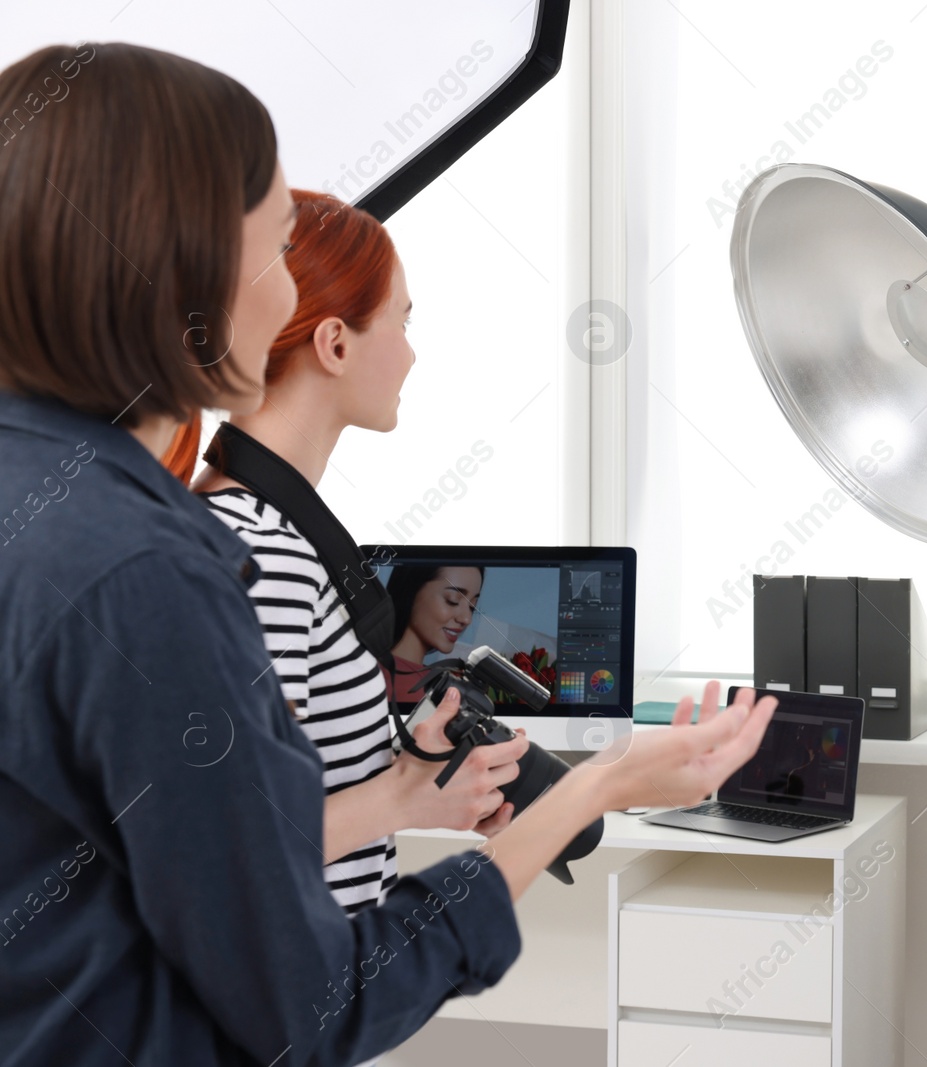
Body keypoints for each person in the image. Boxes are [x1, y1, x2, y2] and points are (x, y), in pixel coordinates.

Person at [0, 42, 773, 1067]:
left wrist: (409, 796)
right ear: (188, 265)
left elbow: (154, 855)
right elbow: (309, 1003)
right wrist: (599, 787)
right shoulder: (152, 572)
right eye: (276, 247)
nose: (286, 296)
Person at [184, 190, 524, 919]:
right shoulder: (260, 550)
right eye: (403, 320)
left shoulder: (262, 526)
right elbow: (223, 844)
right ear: (335, 344)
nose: (411, 350)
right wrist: (405, 792)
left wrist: (417, 779)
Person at [384, 563, 486, 703]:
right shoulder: (386, 681)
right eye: (453, 600)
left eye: (471, 606)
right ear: (411, 590)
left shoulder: (432, 681)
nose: (466, 619)